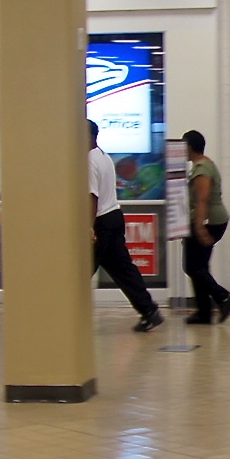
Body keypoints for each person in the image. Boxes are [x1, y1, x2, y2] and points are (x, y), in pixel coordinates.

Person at [88, 119, 164, 333]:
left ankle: (65, 315)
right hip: (114, 216)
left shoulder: (88, 160)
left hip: (100, 221)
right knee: (124, 269)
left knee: (80, 270)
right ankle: (149, 310)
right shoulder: (103, 156)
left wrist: (89, 227)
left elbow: (91, 197)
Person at [180, 130, 230, 325]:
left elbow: (202, 200)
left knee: (192, 265)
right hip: (213, 220)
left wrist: (200, 227)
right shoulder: (205, 164)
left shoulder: (202, 169)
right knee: (200, 266)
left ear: (189, 147)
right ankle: (204, 312)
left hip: (207, 221)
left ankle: (223, 297)